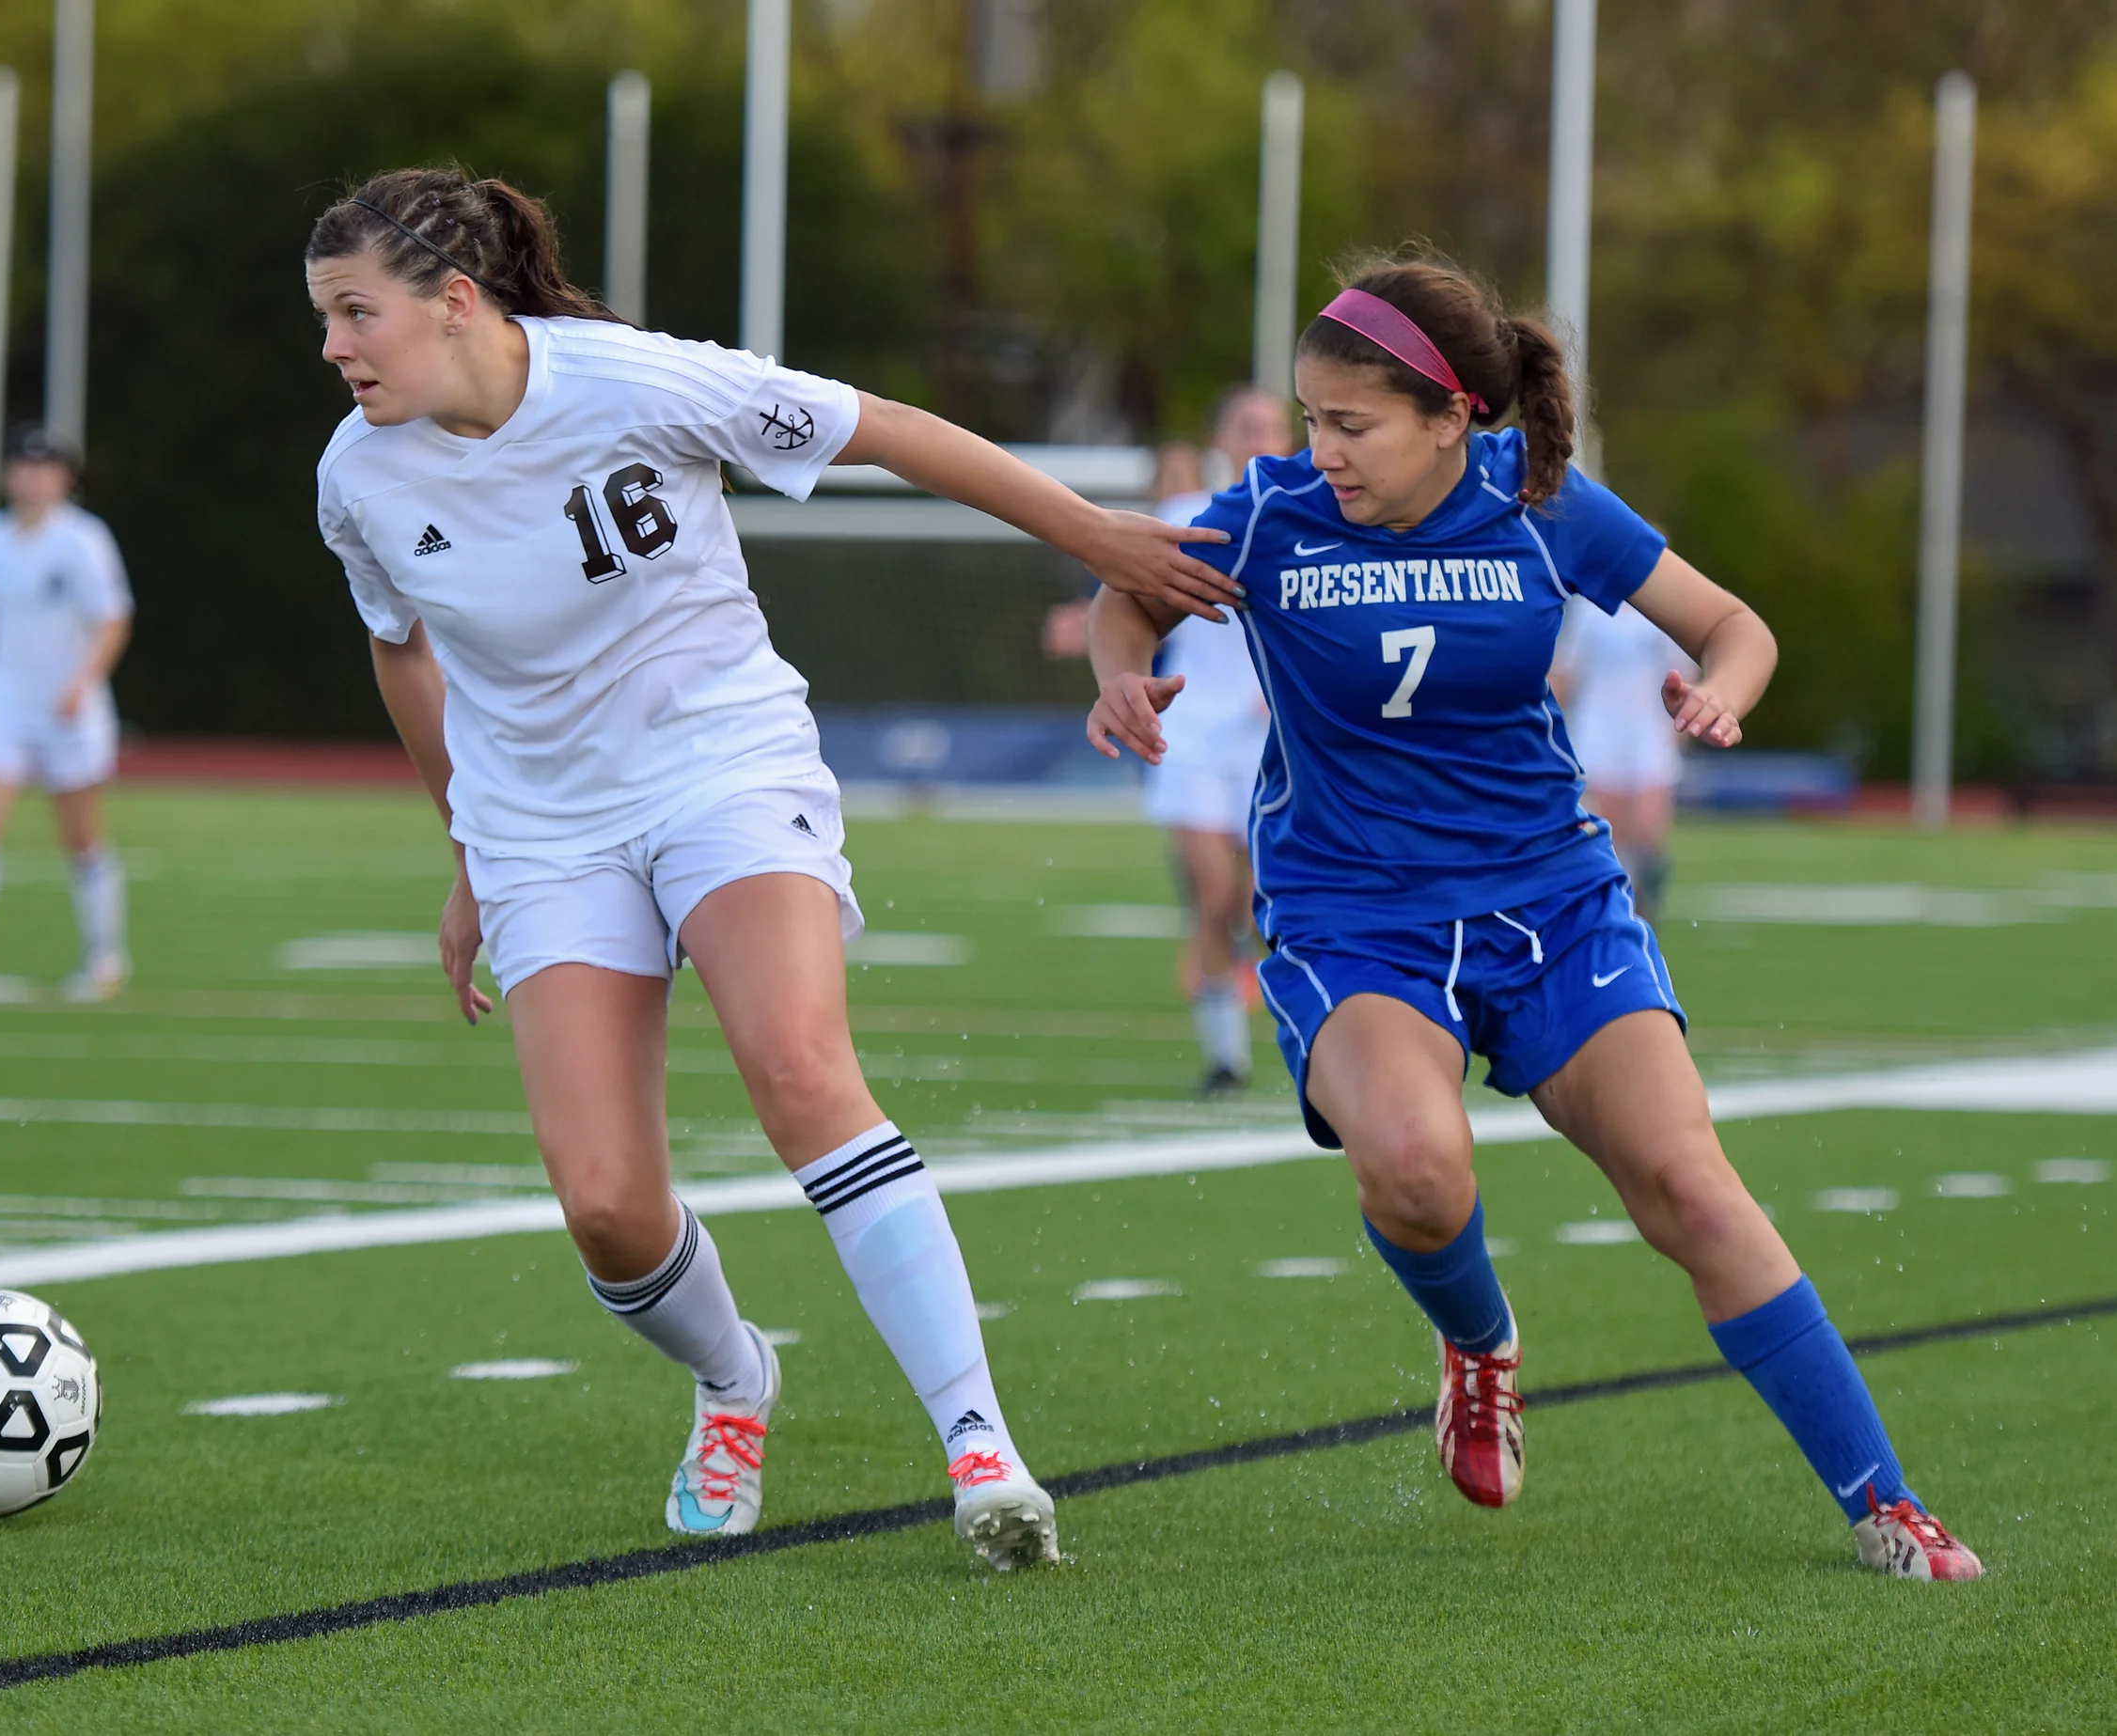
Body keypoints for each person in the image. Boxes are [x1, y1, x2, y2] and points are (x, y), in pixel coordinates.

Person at [304, 167, 1232, 1569]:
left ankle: (981, 1444)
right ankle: (736, 1378)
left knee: (799, 1068)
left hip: (721, 762)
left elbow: (893, 430)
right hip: (545, 825)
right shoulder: (357, 479)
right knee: (608, 1203)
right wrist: (470, 853)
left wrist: (1096, 538)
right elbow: (399, 646)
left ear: (453, 300)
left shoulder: (635, 381)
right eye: (322, 320)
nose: (334, 349)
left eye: (354, 313)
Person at [1082, 256, 1981, 1580]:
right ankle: (1481, 1342)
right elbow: (1128, 590)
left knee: (1690, 1185)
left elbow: (1733, 624)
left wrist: (1721, 690)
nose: (1318, 450)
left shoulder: (1540, 503)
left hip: (1553, 901)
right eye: (1311, 418)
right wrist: (1122, 679)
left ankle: (1886, 1498)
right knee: (1417, 1169)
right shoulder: (1267, 515)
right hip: (1358, 915)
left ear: (1451, 417)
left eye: (1352, 425)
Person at [0, 426, 133, 1002]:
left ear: (64, 478)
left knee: (82, 837)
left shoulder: (84, 540)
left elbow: (112, 621)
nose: (32, 478)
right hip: (2, 701)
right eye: (23, 467)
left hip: (67, 710)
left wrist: (80, 684)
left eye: (45, 468)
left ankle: (105, 956)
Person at [1144, 390, 1290, 1092]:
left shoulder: (1305, 522)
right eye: (1246, 426)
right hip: (1194, 736)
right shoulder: (1185, 519)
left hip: (1268, 746)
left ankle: (1307, 1038)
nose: (1259, 437)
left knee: (1257, 902)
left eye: (1271, 427)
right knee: (1212, 892)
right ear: (1221, 438)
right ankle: (1226, 1058)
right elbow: (1129, 601)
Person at [1550, 592, 1686, 917]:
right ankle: (1620, 913)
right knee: (1614, 835)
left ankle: (1646, 906)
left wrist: (1680, 727)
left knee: (1649, 832)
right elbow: (1565, 671)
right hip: (1600, 728)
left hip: (1649, 728)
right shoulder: (1589, 608)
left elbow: (1682, 673)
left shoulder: (1665, 607)